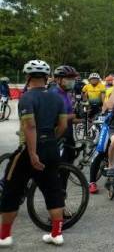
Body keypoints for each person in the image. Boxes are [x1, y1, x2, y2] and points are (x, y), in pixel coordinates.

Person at [0, 60, 68, 246]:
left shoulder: (27, 98)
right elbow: (62, 125)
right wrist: (49, 140)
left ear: (27, 77)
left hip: (29, 150)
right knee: (53, 190)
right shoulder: (57, 98)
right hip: (51, 148)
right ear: (46, 78)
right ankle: (56, 234)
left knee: (11, 190)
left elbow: (30, 126)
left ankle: (4, 236)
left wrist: (32, 153)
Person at [49, 65, 80, 168]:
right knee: (57, 168)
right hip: (58, 136)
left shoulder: (67, 94)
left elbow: (71, 119)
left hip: (68, 136)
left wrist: (83, 119)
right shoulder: (53, 94)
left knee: (67, 168)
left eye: (73, 79)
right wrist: (73, 115)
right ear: (58, 79)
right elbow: (54, 118)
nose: (72, 81)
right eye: (68, 78)